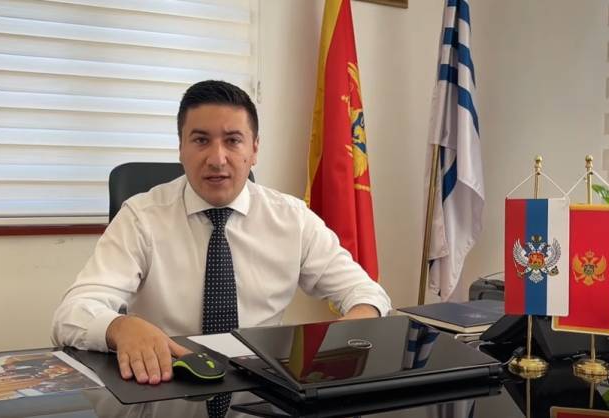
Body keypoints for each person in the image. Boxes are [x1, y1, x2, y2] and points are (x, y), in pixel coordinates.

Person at [52, 80, 391, 386]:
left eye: (233, 141)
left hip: (264, 386)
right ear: (181, 147)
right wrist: (119, 327)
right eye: (201, 140)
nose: (217, 159)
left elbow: (367, 293)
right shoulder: (141, 217)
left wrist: (349, 329)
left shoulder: (292, 218)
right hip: (167, 379)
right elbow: (71, 314)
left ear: (254, 149)